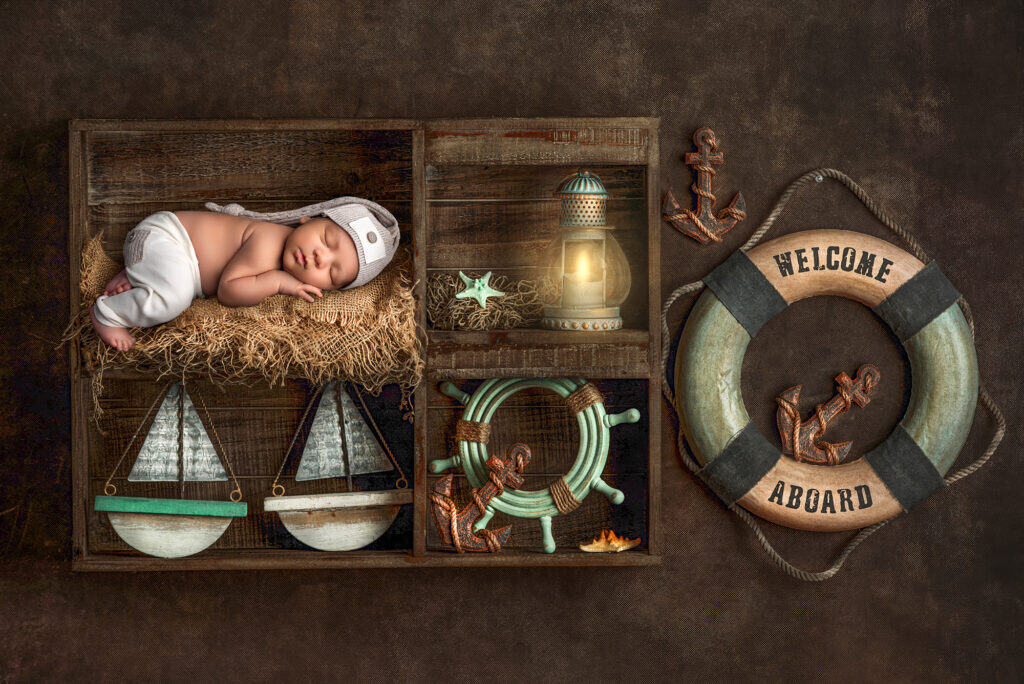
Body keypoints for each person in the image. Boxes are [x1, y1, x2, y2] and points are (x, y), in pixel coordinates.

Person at [90, 197, 400, 351]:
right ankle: (107, 314)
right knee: (175, 297)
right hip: (163, 238)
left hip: (161, 254)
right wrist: (280, 282)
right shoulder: (269, 241)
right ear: (308, 220)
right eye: (327, 240)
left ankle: (139, 275)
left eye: (333, 272)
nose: (321, 256)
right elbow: (228, 290)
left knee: (176, 280)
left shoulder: (283, 252)